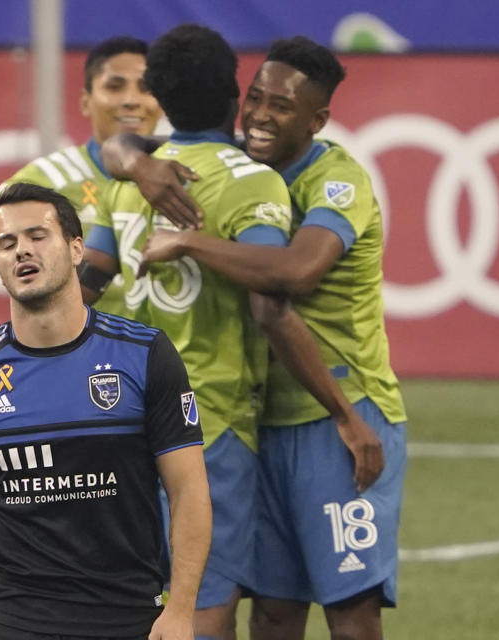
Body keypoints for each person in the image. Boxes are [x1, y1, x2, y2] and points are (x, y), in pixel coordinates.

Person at [79, 25, 381, 640]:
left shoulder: (128, 182)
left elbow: (88, 283)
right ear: (232, 98)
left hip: (120, 419)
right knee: (203, 601)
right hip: (208, 423)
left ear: (160, 97)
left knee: (133, 597)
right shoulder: (252, 182)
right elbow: (273, 296)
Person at [0, 182, 212, 640]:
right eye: (7, 243)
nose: (22, 252)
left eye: (38, 236)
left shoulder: (145, 354)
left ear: (77, 249)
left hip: (129, 612)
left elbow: (189, 490)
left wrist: (181, 609)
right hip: (15, 617)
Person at [0, 35, 199, 315]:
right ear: (85, 101)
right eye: (115, 87)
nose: (131, 100)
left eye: (145, 88)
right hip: (89, 353)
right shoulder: (50, 178)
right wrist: (26, 229)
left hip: (170, 353)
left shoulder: (185, 173)